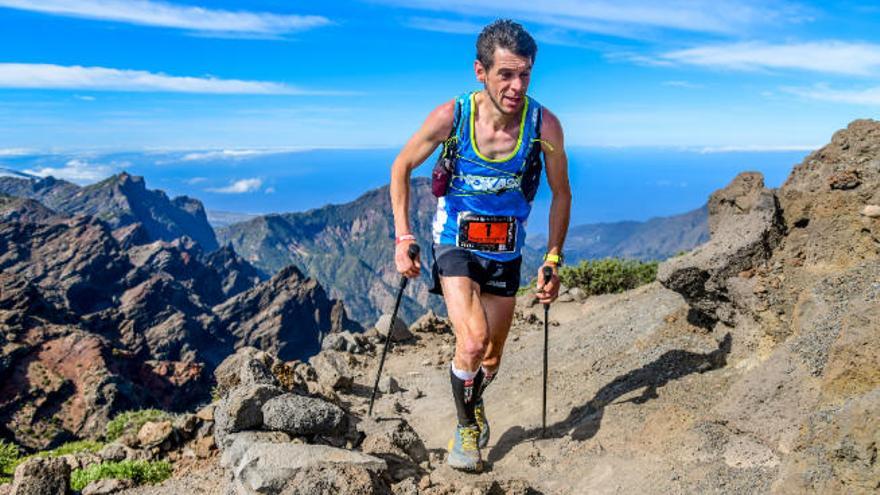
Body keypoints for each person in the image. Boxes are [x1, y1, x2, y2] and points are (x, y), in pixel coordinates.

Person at [389, 19, 571, 472]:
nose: (516, 85)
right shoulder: (452, 117)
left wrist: (552, 258)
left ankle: (473, 398)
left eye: (524, 74)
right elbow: (401, 167)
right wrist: (404, 237)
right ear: (480, 72)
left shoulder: (543, 124)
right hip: (455, 242)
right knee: (472, 340)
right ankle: (465, 429)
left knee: (491, 357)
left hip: (506, 251)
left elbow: (562, 193)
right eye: (505, 74)